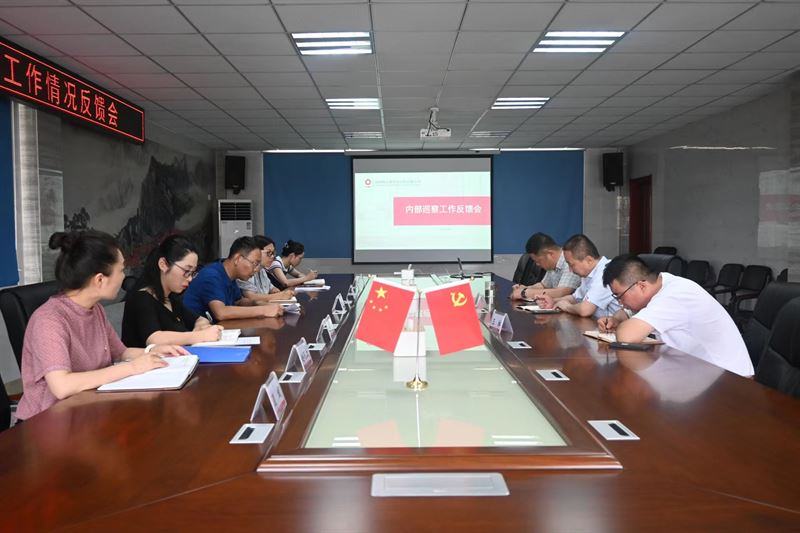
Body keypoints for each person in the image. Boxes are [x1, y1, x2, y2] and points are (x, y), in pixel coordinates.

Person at [16, 231, 187, 421]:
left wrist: (154, 352)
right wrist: (132, 368)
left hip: (88, 412)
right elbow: (62, 386)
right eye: (121, 270)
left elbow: (120, 352)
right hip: (48, 423)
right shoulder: (49, 320)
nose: (123, 277)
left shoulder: (94, 309)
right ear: (99, 279)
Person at [597, 254, 754, 377]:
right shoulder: (662, 283)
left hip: (730, 380)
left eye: (620, 296)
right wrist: (616, 319)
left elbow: (627, 336)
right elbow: (627, 311)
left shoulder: (674, 295)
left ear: (641, 286)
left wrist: (622, 325)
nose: (620, 303)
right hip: (699, 370)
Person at [122, 235, 225, 348]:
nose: (190, 279)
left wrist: (201, 326)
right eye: (186, 271)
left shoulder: (171, 297)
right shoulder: (141, 298)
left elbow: (200, 319)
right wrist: (199, 336)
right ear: (163, 265)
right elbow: (154, 339)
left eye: (192, 273)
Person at [182, 236, 283, 321]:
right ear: (238, 259)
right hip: (193, 332)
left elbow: (238, 301)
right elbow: (221, 313)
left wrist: (258, 304)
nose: (256, 269)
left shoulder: (230, 275)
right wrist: (263, 310)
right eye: (255, 264)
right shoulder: (211, 275)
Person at [535, 234, 621, 319]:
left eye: (571, 265)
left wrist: (567, 307)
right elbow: (575, 298)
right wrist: (553, 301)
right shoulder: (589, 273)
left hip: (615, 325)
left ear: (589, 260)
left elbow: (585, 310)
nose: (570, 270)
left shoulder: (605, 272)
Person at [510, 232, 581, 300]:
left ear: (550, 254)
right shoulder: (552, 266)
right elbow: (543, 285)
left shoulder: (569, 261)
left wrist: (524, 293)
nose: (537, 264)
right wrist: (525, 288)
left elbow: (561, 292)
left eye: (538, 261)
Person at [236, 235, 295, 303]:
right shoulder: (246, 270)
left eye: (273, 253)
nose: (273, 257)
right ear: (256, 252)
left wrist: (277, 292)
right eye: (269, 253)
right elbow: (251, 297)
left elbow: (271, 288)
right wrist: (280, 296)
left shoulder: (262, 269)